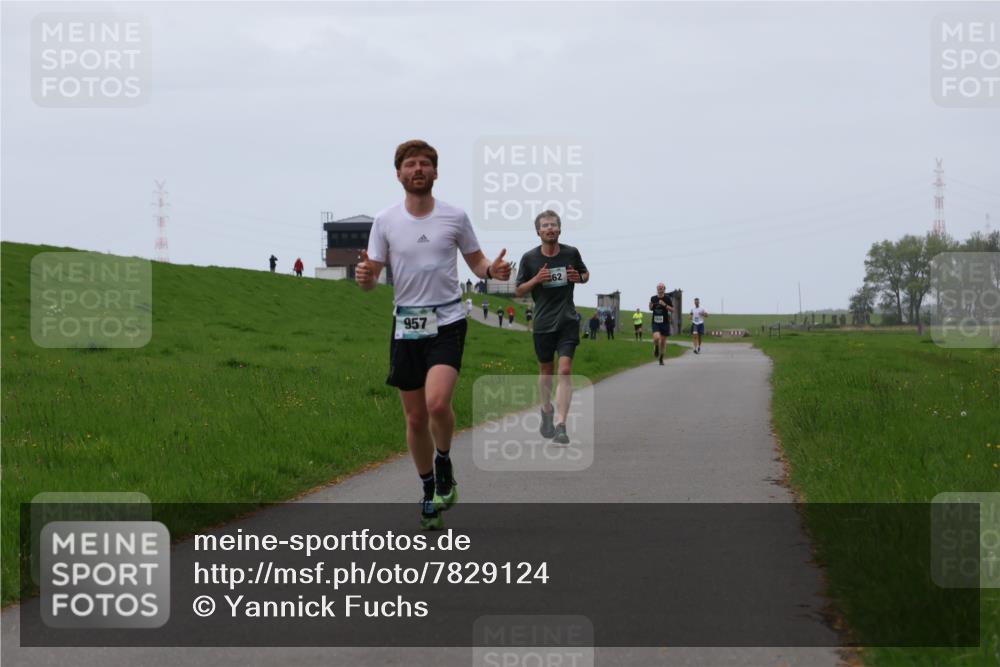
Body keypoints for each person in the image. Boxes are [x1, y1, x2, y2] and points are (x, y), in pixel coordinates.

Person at [355, 139, 511, 530]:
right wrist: (366, 278)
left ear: (436, 172)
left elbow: (476, 262)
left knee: (438, 404)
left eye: (425, 163)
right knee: (414, 418)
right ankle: (428, 490)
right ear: (399, 174)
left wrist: (494, 271)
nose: (418, 169)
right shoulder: (385, 221)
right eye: (410, 164)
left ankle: (444, 461)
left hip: (447, 320)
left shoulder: (454, 217)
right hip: (407, 324)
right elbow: (372, 276)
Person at [515, 209, 589, 445]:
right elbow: (518, 290)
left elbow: (585, 273)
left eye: (553, 225)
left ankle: (561, 424)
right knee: (546, 372)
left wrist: (580, 277)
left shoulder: (571, 252)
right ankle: (546, 410)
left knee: (565, 370)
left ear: (560, 229)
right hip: (543, 324)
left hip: (567, 320)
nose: (550, 229)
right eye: (545, 225)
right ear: (538, 231)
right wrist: (536, 280)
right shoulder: (529, 258)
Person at [649, 283, 674, 365]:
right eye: (659, 288)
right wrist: (650, 306)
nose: (660, 289)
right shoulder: (653, 298)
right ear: (657, 289)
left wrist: (665, 305)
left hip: (665, 323)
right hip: (655, 322)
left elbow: (672, 310)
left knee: (663, 341)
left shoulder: (667, 298)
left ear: (664, 289)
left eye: (662, 288)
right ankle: (656, 347)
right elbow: (651, 308)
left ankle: (661, 358)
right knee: (656, 338)